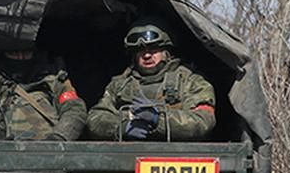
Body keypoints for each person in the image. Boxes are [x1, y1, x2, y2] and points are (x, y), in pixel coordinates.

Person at [87, 17, 216, 142]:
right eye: (140, 51)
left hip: (178, 156)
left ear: (167, 52)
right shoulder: (120, 85)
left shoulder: (190, 81)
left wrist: (158, 119)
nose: (147, 55)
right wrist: (122, 127)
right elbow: (96, 118)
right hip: (128, 154)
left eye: (153, 49)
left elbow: (203, 121)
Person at [0, 46, 86, 141]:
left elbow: (74, 110)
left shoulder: (54, 80)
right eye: (13, 53)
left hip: (53, 159)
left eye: (26, 53)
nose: (21, 58)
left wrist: (58, 139)